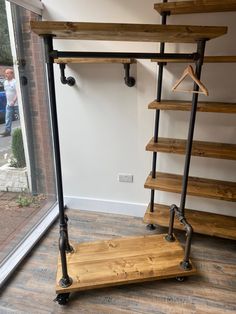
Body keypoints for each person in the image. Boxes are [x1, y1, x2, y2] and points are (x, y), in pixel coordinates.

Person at [1, 68, 18, 137]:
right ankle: (7, 131)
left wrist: (14, 101)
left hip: (16, 104)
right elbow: (6, 92)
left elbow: (18, 92)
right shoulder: (5, 82)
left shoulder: (15, 82)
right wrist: (8, 101)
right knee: (7, 117)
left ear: (12, 74)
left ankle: (24, 130)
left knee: (20, 117)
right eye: (6, 73)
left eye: (8, 73)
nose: (6, 75)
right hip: (9, 104)